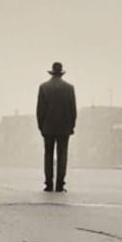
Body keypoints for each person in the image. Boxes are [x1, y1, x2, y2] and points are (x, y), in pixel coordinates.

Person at [36, 61, 77, 192]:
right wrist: (71, 126)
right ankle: (60, 184)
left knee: (48, 155)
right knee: (62, 155)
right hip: (64, 128)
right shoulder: (69, 88)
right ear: (61, 73)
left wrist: (41, 127)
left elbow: (40, 110)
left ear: (52, 72)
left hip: (48, 127)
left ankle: (48, 184)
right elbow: (73, 110)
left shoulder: (44, 87)